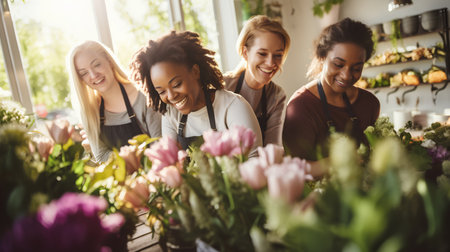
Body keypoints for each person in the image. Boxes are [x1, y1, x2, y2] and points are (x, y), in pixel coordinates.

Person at [130, 31, 262, 156]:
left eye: (176, 85)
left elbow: (253, 162)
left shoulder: (233, 107)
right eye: (162, 91)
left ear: (195, 71)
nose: (171, 96)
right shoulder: (171, 115)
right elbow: (172, 164)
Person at [283, 18, 380, 177]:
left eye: (357, 68)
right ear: (322, 58)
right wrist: (337, 162)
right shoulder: (300, 107)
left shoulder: (370, 103)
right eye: (338, 64)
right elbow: (293, 170)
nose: (347, 75)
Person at [68, 40, 161, 163]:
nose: (93, 75)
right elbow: (101, 156)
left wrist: (121, 160)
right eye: (84, 73)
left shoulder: (143, 95)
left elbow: (160, 147)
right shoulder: (90, 111)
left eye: (97, 65)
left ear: (109, 61)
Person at [224, 15, 290, 146]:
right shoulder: (222, 86)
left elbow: (272, 148)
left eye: (278, 55)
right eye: (262, 53)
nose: (271, 63)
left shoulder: (276, 96)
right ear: (245, 52)